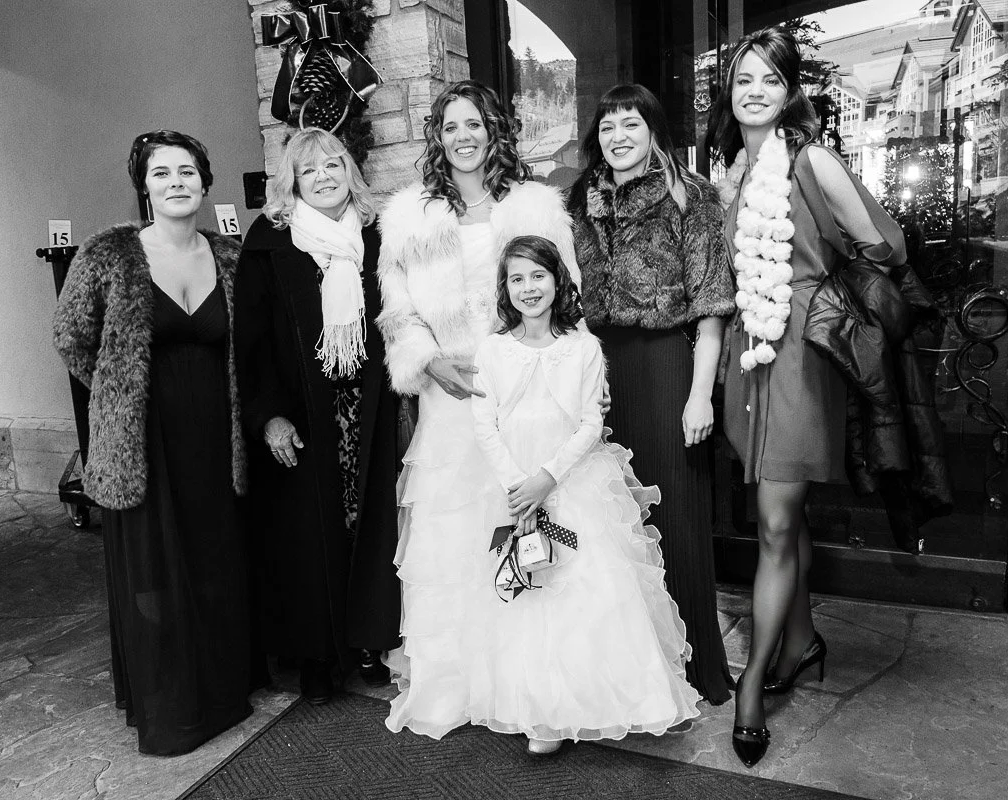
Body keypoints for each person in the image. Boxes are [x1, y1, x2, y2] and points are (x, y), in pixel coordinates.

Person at [707, 27, 907, 767]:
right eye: (741, 82)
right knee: (779, 520)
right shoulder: (738, 167)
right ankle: (801, 641)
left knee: (773, 519)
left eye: (767, 79)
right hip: (749, 356)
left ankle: (755, 683)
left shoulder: (811, 159)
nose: (753, 91)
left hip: (796, 353)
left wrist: (830, 282)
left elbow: (888, 245)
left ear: (791, 91)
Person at [377, 79, 580, 739]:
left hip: (522, 386)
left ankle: (532, 691)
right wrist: (428, 361)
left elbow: (565, 292)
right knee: (456, 538)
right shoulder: (408, 215)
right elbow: (399, 311)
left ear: (495, 132)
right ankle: (461, 680)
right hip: (448, 397)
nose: (463, 136)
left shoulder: (536, 206)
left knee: (526, 527)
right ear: (437, 136)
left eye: (475, 124)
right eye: (451, 126)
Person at [53, 130, 255, 755]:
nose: (176, 182)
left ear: (205, 180)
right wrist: (118, 393)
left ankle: (222, 689)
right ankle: (168, 703)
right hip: (143, 442)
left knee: (216, 560)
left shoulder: (229, 254)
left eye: (188, 171)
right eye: (162, 172)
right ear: (143, 183)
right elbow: (71, 337)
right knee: (154, 570)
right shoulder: (109, 253)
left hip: (214, 437)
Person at [465, 235, 702, 756]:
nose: (528, 288)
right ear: (505, 288)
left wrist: (547, 479)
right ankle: (540, 709)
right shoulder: (492, 350)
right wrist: (518, 488)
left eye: (538, 276)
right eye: (517, 278)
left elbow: (591, 422)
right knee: (530, 586)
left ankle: (604, 697)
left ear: (558, 281)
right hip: (511, 480)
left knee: (583, 581)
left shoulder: (583, 348)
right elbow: (485, 425)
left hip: (571, 478)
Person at [569, 84, 737, 705]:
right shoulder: (579, 201)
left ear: (654, 133)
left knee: (675, 518)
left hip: (667, 366)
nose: (618, 137)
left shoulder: (690, 198)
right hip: (600, 369)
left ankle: (693, 669)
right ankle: (630, 674)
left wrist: (700, 396)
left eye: (631, 124)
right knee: (613, 524)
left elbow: (712, 309)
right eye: (608, 126)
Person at [235, 127, 401, 703]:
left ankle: (368, 641)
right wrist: (268, 417)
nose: (325, 177)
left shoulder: (378, 235)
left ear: (350, 171)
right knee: (310, 535)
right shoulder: (270, 242)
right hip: (304, 414)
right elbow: (250, 344)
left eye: (334, 164)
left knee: (371, 526)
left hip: (370, 407)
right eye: (311, 171)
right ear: (294, 182)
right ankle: (316, 654)